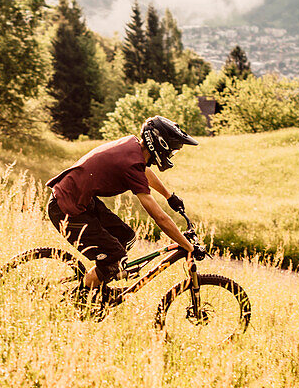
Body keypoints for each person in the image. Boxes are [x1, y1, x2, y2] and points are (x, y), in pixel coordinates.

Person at [46, 115, 207, 295]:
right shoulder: (130, 165)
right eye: (171, 151)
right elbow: (159, 218)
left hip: (79, 201)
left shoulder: (133, 146)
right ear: (161, 145)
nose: (170, 155)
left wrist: (169, 196)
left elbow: (143, 170)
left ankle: (99, 283)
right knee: (114, 259)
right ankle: (75, 300)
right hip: (65, 209)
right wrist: (188, 246)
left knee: (126, 236)